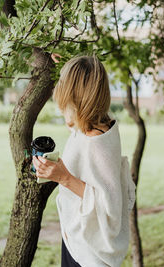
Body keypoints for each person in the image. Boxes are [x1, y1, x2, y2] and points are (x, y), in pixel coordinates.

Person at [33, 55, 135, 267]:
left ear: (76, 97)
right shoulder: (97, 124)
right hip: (78, 240)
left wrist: (63, 177)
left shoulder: (96, 140)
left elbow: (110, 206)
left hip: (89, 252)